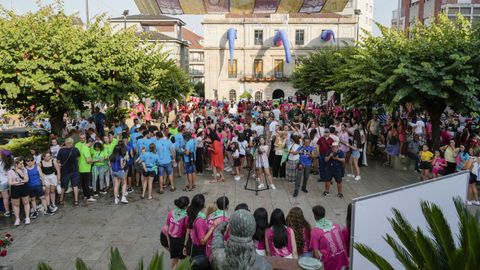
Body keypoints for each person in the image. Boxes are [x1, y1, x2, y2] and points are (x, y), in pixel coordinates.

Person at [310, 205, 349, 270]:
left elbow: (316, 253)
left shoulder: (315, 231)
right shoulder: (336, 226)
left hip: (330, 263)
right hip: (342, 259)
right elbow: (343, 243)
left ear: (314, 215)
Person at [183, 194, 215, 258]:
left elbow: (188, 230)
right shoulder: (199, 221)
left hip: (191, 243)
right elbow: (202, 241)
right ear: (202, 205)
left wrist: (185, 245)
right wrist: (212, 228)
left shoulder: (189, 212)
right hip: (198, 249)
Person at [161, 196, 189, 268]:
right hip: (179, 241)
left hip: (169, 238)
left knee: (175, 258)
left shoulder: (171, 212)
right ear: (186, 206)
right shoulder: (186, 217)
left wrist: (169, 242)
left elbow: (166, 227)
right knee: (182, 260)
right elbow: (187, 231)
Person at [57, 138, 81, 206]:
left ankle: (61, 200)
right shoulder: (75, 149)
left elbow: (58, 161)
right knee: (75, 185)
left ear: (65, 142)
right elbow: (78, 158)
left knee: (63, 186)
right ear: (72, 142)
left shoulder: (61, 151)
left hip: (65, 171)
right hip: (74, 170)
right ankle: (76, 200)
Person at [8, 157, 31, 226]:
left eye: (22, 163)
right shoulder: (10, 171)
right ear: (16, 164)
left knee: (26, 202)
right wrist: (20, 181)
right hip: (15, 188)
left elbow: (27, 180)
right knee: (16, 204)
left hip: (24, 187)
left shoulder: (24, 170)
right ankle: (17, 219)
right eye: (20, 164)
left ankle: (27, 217)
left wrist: (17, 181)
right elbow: (10, 182)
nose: (22, 165)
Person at [75, 134, 96, 203]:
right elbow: (88, 161)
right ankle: (89, 197)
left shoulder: (83, 147)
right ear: (90, 142)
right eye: (92, 144)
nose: (92, 145)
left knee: (83, 184)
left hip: (81, 167)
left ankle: (85, 195)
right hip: (86, 168)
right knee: (87, 184)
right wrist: (97, 160)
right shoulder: (86, 149)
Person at [0, 150, 13, 217]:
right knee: (13, 196)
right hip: (11, 181)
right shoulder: (12, 163)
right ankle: (14, 210)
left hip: (2, 182)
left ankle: (7, 212)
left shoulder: (0, 163)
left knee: (5, 198)